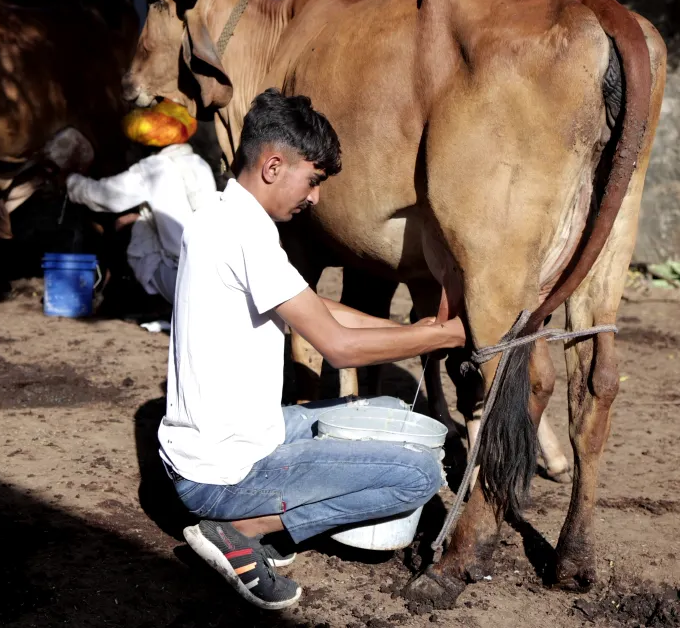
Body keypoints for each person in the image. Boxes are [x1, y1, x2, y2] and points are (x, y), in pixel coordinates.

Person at [161, 89, 467, 610]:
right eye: (314, 180)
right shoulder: (247, 235)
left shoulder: (220, 212)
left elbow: (316, 310)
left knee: (390, 412)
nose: (316, 198)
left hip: (231, 441)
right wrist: (443, 337)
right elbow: (338, 347)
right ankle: (238, 530)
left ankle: (265, 525)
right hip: (222, 475)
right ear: (274, 165)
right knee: (420, 473)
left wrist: (412, 328)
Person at [63, 139, 217, 304]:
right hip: (212, 272)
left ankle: (131, 300)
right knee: (134, 220)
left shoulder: (154, 167)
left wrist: (70, 181)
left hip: (184, 279)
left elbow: (105, 196)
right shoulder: (199, 162)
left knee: (125, 227)